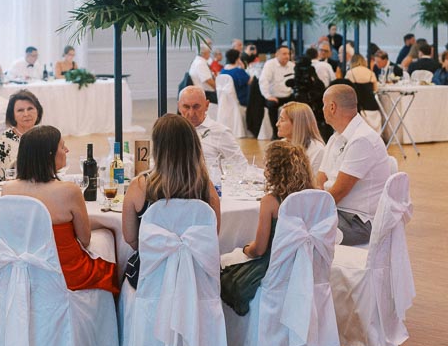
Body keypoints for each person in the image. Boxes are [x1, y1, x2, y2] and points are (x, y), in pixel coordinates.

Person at [3, 124, 117, 295]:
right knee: (108, 244)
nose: (67, 150)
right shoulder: (69, 191)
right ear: (50, 154)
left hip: (26, 273)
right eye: (63, 147)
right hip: (65, 275)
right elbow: (85, 240)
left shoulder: (8, 189)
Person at [120, 114, 221, 288]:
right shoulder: (205, 186)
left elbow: (131, 239)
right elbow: (212, 234)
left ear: (157, 148)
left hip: (151, 274)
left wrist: (158, 251)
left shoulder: (139, 186)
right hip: (197, 276)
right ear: (193, 145)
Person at [220, 141, 314, 315]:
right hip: (303, 264)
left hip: (274, 267)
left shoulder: (271, 202)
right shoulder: (311, 196)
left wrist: (245, 249)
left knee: (225, 269)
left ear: (276, 171)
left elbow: (259, 250)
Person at [317, 84, 392, 246]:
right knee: (291, 221)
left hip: (358, 221)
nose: (322, 109)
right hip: (337, 211)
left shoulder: (362, 139)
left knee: (300, 230)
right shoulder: (335, 137)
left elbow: (340, 191)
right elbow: (321, 178)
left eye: (323, 104)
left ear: (332, 107)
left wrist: (314, 210)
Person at [178, 85, 247, 175]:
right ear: (179, 106)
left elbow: (241, 166)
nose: (191, 113)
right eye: (186, 107)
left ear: (206, 105)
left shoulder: (220, 132)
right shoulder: (173, 131)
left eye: (196, 107)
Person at [0, 90, 43, 182]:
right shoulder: (4, 140)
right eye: (20, 110)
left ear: (38, 111)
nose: (26, 114)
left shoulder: (44, 136)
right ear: (13, 115)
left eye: (30, 109)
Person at [275, 100, 326, 173]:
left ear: (297, 124)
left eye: (282, 120)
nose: (277, 124)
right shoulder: (282, 144)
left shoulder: (317, 150)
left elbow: (315, 183)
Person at [258, 45, 295, 134]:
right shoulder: (270, 64)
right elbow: (263, 81)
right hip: (274, 97)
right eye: (284, 54)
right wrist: (268, 96)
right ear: (277, 55)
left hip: (288, 95)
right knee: (272, 105)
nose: (287, 56)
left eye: (288, 54)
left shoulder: (292, 65)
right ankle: (276, 133)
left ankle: (293, 132)